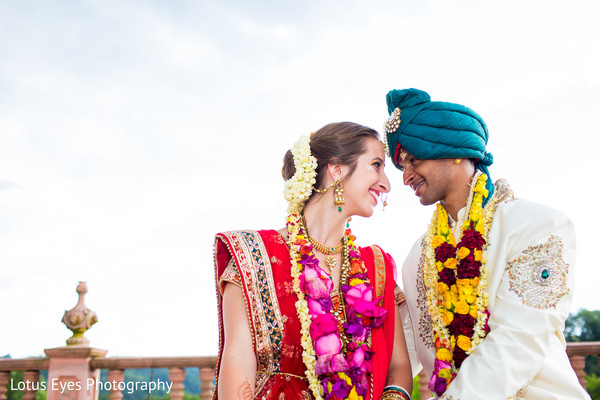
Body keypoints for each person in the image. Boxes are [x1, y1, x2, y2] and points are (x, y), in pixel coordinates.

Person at [382, 88, 590, 399]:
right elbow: (407, 346)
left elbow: (519, 340)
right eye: (401, 165)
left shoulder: (536, 225)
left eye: (413, 159)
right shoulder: (418, 257)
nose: (406, 176)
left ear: (453, 150)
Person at [213, 122, 413, 400]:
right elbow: (237, 363)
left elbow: (398, 366)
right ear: (337, 169)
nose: (386, 184)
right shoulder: (254, 255)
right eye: (376, 165)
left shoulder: (375, 266)